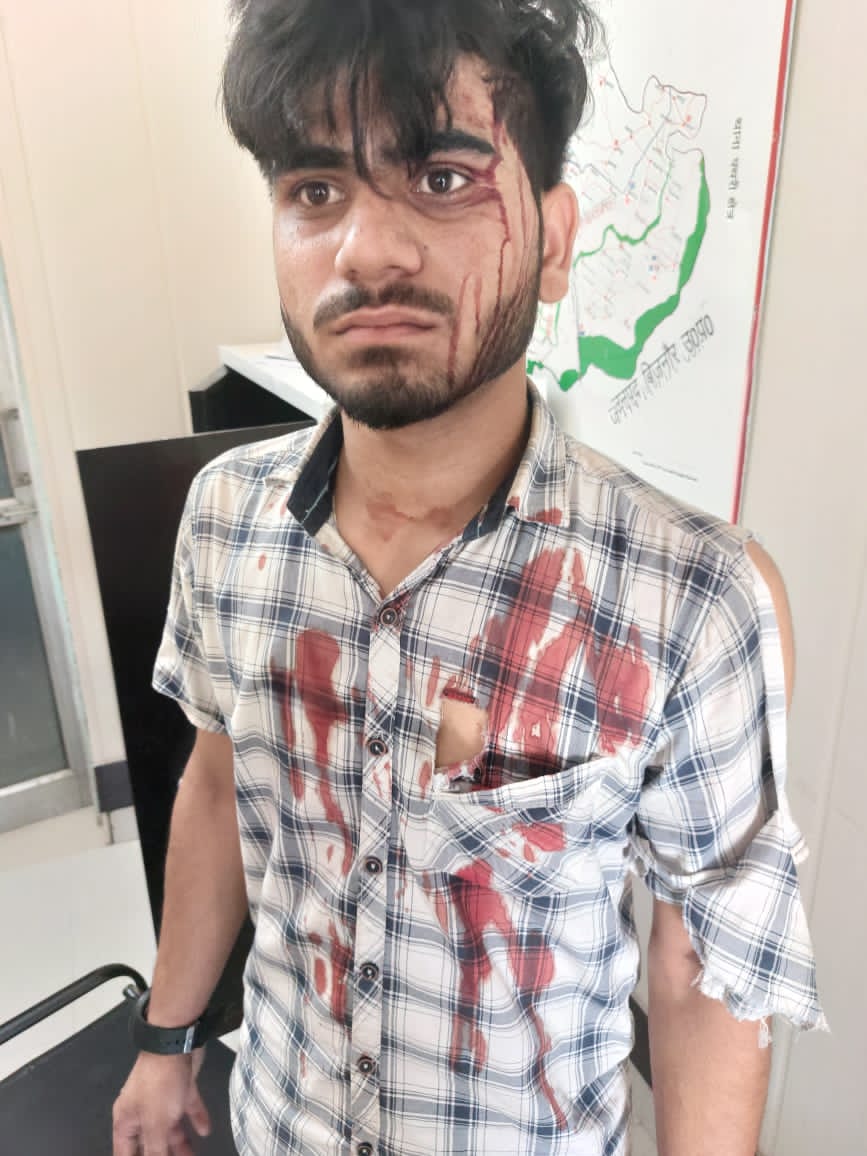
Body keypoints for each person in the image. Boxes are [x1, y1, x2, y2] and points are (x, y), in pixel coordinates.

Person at [112, 1, 825, 1153]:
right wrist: (167, 1035)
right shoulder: (224, 519)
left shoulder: (693, 598)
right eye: (315, 189)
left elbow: (701, 971)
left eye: (443, 177)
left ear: (554, 241)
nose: (365, 250)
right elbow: (216, 784)